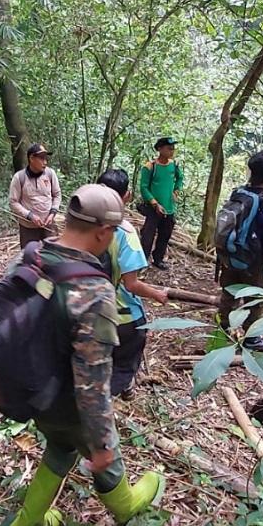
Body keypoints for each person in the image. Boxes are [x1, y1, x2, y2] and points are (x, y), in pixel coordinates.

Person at [7, 185, 164, 526]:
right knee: (102, 460)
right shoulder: (94, 292)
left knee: (60, 447)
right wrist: (103, 443)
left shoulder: (28, 256)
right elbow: (92, 382)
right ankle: (127, 507)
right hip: (67, 399)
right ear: (103, 232)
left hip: (30, 388)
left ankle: (25, 521)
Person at [96, 169, 168, 398]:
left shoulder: (82, 225)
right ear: (126, 196)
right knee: (128, 351)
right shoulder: (125, 233)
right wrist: (157, 294)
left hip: (85, 307)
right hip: (120, 313)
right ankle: (121, 389)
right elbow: (131, 284)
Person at [216, 151, 263, 353]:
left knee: (228, 293)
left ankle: (222, 329)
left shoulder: (240, 193)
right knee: (256, 299)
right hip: (255, 261)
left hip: (232, 254)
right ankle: (251, 337)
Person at [138, 136, 184, 270]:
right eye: (169, 149)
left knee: (165, 235)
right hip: (154, 209)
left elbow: (179, 178)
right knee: (148, 235)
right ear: (160, 149)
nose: (172, 151)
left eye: (173, 149)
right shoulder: (150, 167)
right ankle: (142, 260)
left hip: (169, 208)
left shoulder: (173, 165)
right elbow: (144, 187)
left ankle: (158, 259)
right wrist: (154, 203)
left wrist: (176, 190)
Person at [10, 143, 61, 247]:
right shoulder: (19, 177)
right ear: (31, 158)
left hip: (49, 225)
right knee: (29, 256)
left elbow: (57, 195)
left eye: (46, 158)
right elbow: (13, 202)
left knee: (52, 255)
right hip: (28, 227)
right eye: (41, 158)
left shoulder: (50, 174)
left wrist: (52, 213)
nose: (45, 162)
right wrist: (29, 215)